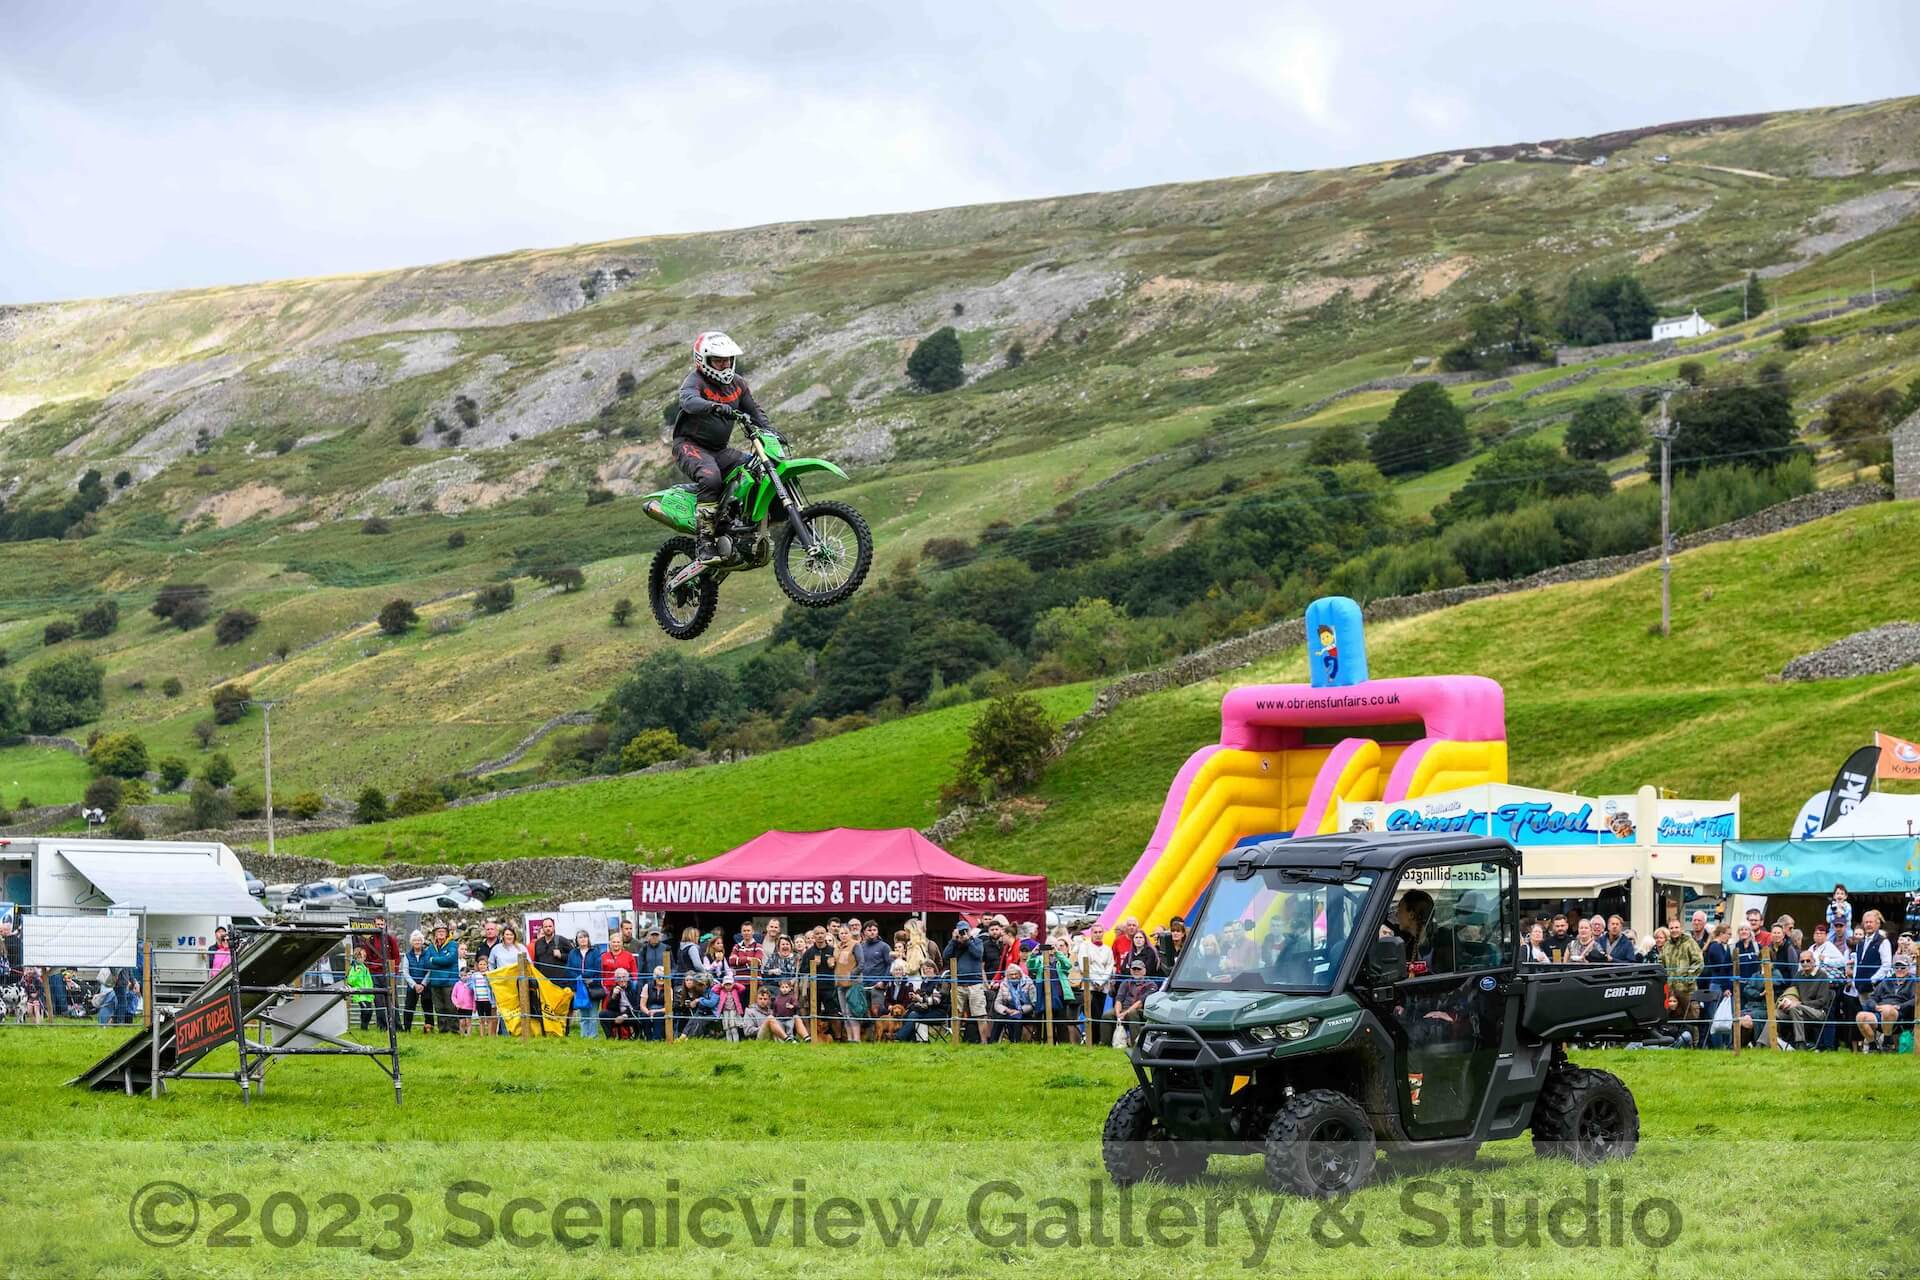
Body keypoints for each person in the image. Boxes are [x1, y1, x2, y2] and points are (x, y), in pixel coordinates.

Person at [672, 330, 781, 562]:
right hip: (690, 446)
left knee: (758, 468)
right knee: (711, 477)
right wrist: (713, 406)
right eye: (718, 360)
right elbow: (688, 401)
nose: (724, 365)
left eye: (728, 360)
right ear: (703, 360)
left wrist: (771, 433)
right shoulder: (695, 381)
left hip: (719, 450)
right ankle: (705, 542)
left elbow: (755, 412)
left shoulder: (738, 384)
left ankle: (740, 524)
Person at [943, 921, 989, 1043]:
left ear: (969, 931)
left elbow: (978, 954)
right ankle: (955, 1042)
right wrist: (953, 941)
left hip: (975, 984)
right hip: (958, 984)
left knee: (980, 1014)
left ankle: (984, 1042)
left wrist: (968, 941)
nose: (963, 933)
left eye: (965, 931)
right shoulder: (954, 944)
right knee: (956, 1014)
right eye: (961, 931)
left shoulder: (977, 942)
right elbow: (945, 956)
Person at [1856, 957, 1914, 1052]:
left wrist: (1900, 1006)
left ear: (1909, 968)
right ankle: (1873, 1046)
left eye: (1903, 967)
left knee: (1888, 1010)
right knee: (1860, 1016)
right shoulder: (1886, 981)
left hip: (1901, 1014)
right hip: (1881, 1011)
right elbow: (1872, 998)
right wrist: (1875, 1006)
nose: (1899, 969)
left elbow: (1915, 1000)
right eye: (1897, 967)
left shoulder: (1914, 982)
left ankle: (1887, 1042)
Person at [1073, 926, 1116, 1046]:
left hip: (1103, 986)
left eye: (1100, 932)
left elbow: (1109, 966)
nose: (1098, 934)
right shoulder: (1085, 947)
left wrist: (1102, 982)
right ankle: (1091, 1040)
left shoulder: (1107, 949)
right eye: (1095, 932)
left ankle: (1097, 1040)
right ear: (1091, 933)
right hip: (1090, 986)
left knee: (1100, 1013)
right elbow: (1084, 966)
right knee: (1091, 1012)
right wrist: (1095, 982)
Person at [1659, 924, 1705, 1031]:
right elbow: (1660, 962)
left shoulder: (1689, 942)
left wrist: (1687, 979)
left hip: (1688, 990)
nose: (1674, 930)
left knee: (1691, 1019)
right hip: (1671, 991)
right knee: (1672, 1020)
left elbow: (1699, 962)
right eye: (1671, 928)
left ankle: (1694, 1040)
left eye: (1676, 927)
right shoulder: (1667, 945)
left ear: (1681, 928)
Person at [894, 961, 948, 1042]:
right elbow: (923, 999)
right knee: (907, 1013)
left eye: (929, 968)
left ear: (934, 969)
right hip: (927, 1010)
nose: (927, 970)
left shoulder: (940, 982)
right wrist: (915, 997)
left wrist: (920, 999)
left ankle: (899, 1037)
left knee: (914, 1015)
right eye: (925, 969)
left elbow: (935, 1001)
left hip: (938, 1012)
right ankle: (913, 1040)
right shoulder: (924, 983)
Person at [567, 929, 606, 1039]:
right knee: (583, 1015)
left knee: (593, 1015)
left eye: (585, 937)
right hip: (579, 987)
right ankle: (584, 1037)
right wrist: (578, 978)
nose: (583, 939)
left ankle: (593, 1037)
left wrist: (582, 976)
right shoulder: (572, 953)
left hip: (593, 986)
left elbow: (596, 968)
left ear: (588, 939)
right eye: (580, 937)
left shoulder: (595, 952)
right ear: (577, 940)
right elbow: (568, 969)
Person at [423, 924, 460, 1033]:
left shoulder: (452, 945)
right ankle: (443, 1029)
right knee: (439, 1007)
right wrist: (442, 961)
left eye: (443, 931)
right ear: (434, 934)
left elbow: (449, 960)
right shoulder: (431, 947)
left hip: (449, 981)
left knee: (451, 1007)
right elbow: (426, 963)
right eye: (438, 931)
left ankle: (454, 1030)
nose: (440, 933)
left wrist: (433, 959)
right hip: (435, 982)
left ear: (447, 933)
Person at [1111, 960, 1156, 1048]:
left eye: (1138, 969)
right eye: (1134, 969)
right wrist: (1118, 1014)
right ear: (1130, 971)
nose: (1136, 971)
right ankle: (1105, 1044)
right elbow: (1119, 999)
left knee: (1132, 1013)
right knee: (1107, 1015)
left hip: (1141, 1011)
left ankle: (1136, 1045)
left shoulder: (1151, 985)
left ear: (1144, 971)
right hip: (1123, 1009)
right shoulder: (1125, 983)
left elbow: (1140, 1003)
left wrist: (1124, 1013)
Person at [991, 964, 1035, 1043]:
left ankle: (1015, 1042)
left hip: (1025, 1009)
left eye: (1016, 974)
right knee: (999, 1018)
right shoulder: (1004, 983)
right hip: (1009, 1008)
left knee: (1016, 1018)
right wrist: (1006, 1010)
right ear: (1008, 976)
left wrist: (1020, 1010)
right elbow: (997, 1003)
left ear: (1020, 974)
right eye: (1011, 974)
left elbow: (1033, 1003)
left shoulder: (1028, 982)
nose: (1014, 976)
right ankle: (992, 1042)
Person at [401, 930, 430, 1032]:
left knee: (427, 1007)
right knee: (409, 1007)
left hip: (425, 985)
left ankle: (429, 1029)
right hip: (412, 985)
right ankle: (407, 1029)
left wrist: (423, 984)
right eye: (415, 940)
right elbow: (405, 972)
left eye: (419, 940)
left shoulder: (428, 954)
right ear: (411, 942)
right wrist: (414, 985)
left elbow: (430, 970)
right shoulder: (407, 956)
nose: (417, 942)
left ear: (422, 941)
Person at [603, 968, 640, 1040]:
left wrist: (624, 1015)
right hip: (619, 1013)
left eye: (624, 977)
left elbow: (637, 1006)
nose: (622, 980)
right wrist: (614, 996)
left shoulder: (635, 987)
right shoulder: (615, 988)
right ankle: (610, 1038)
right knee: (603, 1014)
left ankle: (637, 1036)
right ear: (615, 980)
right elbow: (610, 1008)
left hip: (632, 1013)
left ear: (628, 978)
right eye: (619, 978)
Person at [347, 946, 375, 1031]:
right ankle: (363, 1028)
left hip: (367, 994)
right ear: (356, 957)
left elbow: (369, 981)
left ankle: (365, 1027)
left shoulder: (365, 968)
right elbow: (350, 981)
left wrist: (371, 991)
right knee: (365, 1010)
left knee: (370, 1011)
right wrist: (357, 973)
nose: (362, 959)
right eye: (360, 957)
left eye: (363, 957)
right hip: (359, 994)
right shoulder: (354, 968)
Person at [636, 967, 667, 1041]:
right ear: (654, 977)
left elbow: (669, 1007)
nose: (661, 979)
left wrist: (656, 1011)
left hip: (662, 1011)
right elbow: (642, 1005)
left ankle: (657, 1039)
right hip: (648, 1010)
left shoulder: (668, 988)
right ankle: (648, 1039)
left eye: (663, 977)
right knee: (644, 1016)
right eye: (659, 977)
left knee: (658, 1016)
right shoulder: (647, 986)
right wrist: (648, 1012)